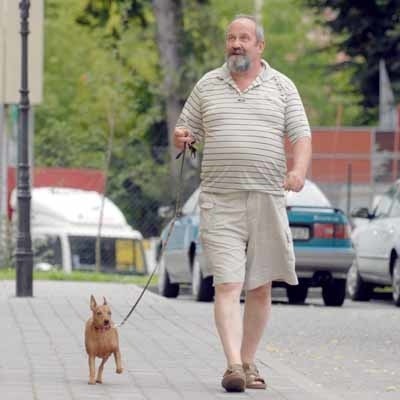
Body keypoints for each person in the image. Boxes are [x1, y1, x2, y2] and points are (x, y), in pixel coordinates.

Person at [173, 14, 312, 392]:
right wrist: (183, 136)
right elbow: (188, 134)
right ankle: (233, 365)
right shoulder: (207, 85)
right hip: (220, 198)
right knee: (227, 285)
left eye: (244, 38)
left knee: (260, 287)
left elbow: (301, 134)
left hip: (267, 198)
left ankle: (249, 361)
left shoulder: (282, 87)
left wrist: (298, 171)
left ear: (259, 46)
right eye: (231, 37)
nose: (236, 43)